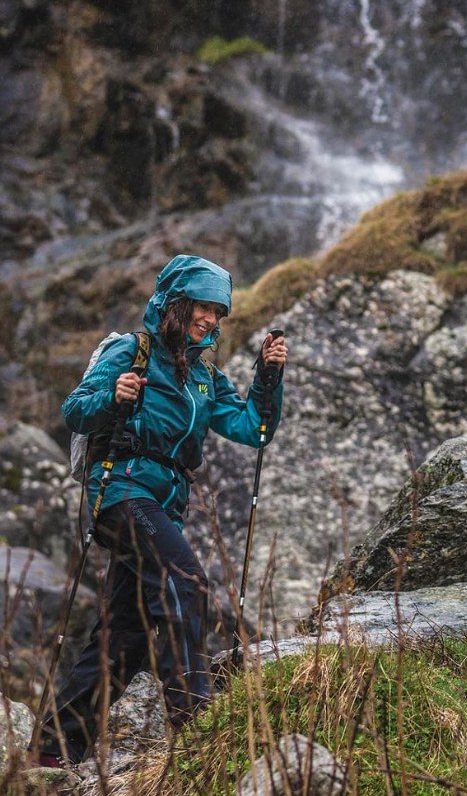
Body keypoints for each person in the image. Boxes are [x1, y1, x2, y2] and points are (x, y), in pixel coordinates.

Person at [36, 254, 287, 765]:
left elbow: (252, 429)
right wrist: (115, 391)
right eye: (204, 307)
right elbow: (74, 411)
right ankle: (196, 722)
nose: (211, 320)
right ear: (176, 303)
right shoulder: (130, 352)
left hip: (164, 507)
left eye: (219, 312)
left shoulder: (203, 376)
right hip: (121, 491)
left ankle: (51, 751)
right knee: (186, 582)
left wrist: (267, 376)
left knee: (123, 637)